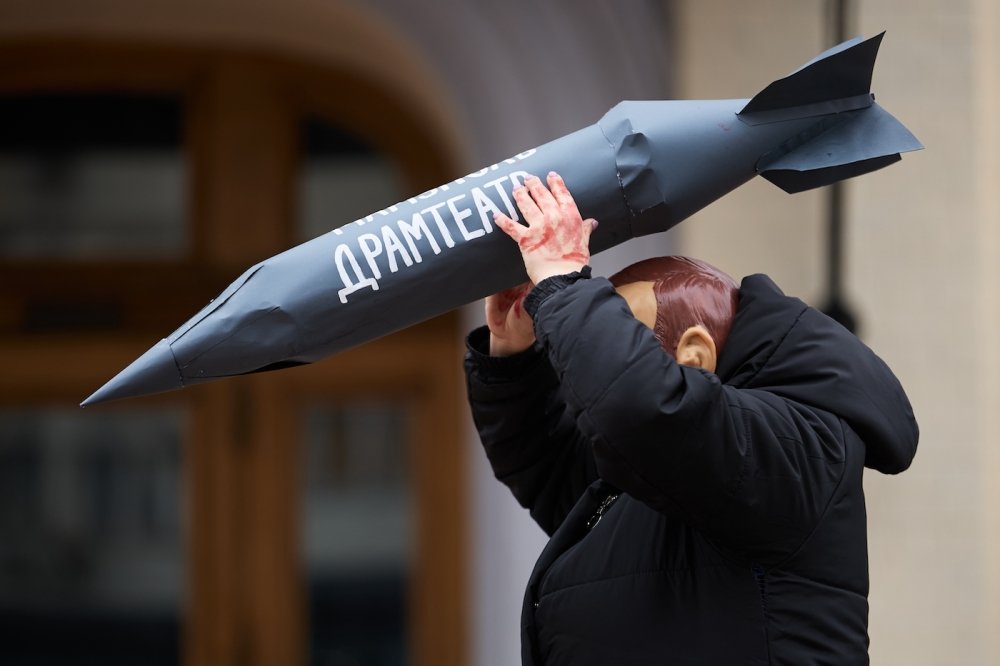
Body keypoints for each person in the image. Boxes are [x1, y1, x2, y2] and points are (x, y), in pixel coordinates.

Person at [464, 172, 918, 665]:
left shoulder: (802, 447)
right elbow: (563, 475)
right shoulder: (669, 463)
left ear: (694, 356)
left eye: (629, 340)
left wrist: (563, 288)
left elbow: (637, 407)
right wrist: (516, 354)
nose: (596, 373)